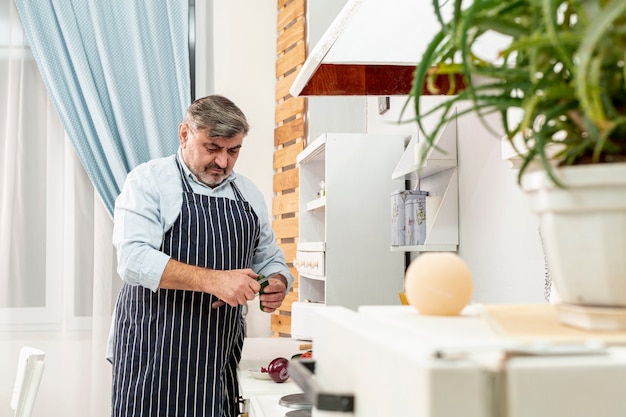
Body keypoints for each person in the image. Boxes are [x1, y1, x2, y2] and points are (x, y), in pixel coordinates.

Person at [108, 94, 294, 417]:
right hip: (153, 357)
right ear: (184, 135)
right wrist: (215, 281)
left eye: (233, 151)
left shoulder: (249, 195)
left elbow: (270, 258)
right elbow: (133, 259)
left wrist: (278, 281)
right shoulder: (148, 181)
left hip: (218, 358)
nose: (222, 162)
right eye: (213, 148)